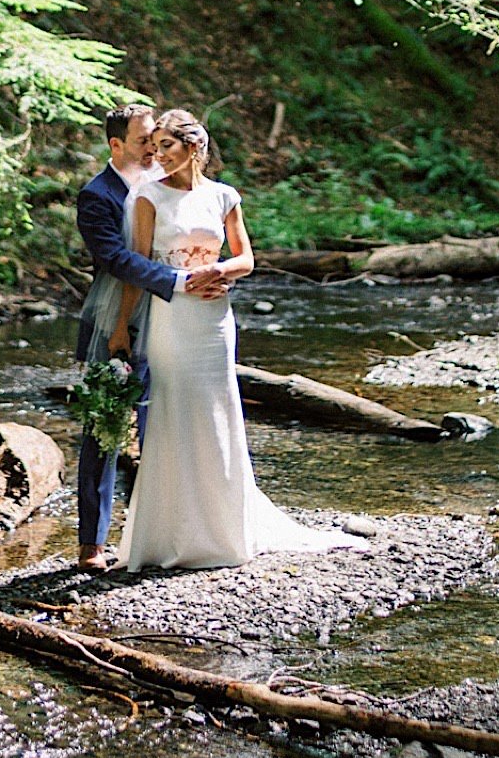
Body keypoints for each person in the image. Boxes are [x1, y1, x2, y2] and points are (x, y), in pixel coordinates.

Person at [115, 108, 365, 571]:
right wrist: (121, 327)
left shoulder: (224, 196)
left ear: (193, 148)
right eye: (154, 147)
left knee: (218, 410)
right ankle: (169, 532)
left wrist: (219, 270)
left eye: (166, 146)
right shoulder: (147, 197)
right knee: (174, 410)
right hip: (171, 316)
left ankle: (223, 529)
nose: (157, 155)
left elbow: (246, 256)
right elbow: (137, 267)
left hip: (214, 318)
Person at [73, 104, 234, 572]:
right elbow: (116, 260)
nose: (153, 149)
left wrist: (214, 275)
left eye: (158, 140)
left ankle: (163, 532)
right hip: (116, 321)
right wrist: (180, 280)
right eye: (144, 140)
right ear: (116, 145)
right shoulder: (97, 195)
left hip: (176, 323)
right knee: (104, 428)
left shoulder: (171, 185)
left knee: (163, 427)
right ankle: (92, 543)